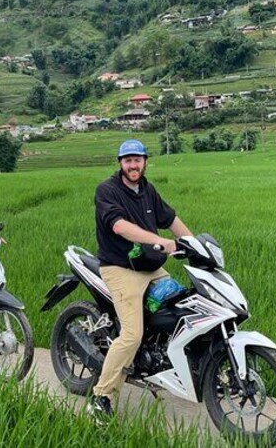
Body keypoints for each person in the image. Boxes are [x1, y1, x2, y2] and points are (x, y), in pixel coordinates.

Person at [88, 139, 193, 422]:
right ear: (120, 163)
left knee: (182, 310)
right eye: (127, 160)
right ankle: (101, 397)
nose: (133, 165)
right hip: (120, 268)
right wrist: (159, 241)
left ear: (145, 161)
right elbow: (119, 226)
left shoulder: (148, 190)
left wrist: (195, 245)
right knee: (132, 334)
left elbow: (171, 219)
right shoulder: (107, 190)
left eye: (138, 159)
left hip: (151, 267)